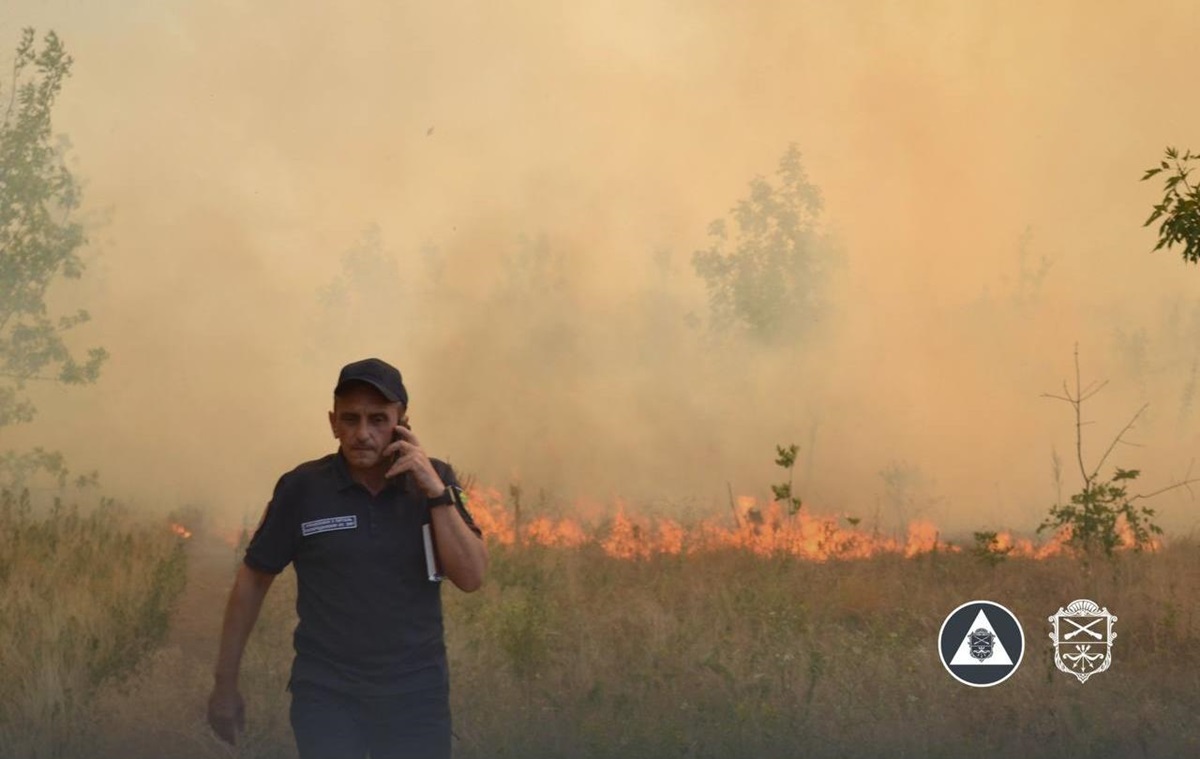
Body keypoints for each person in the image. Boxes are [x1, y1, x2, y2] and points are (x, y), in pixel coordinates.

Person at [206, 357, 488, 759]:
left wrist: (435, 492)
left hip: (416, 695)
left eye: (378, 419)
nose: (363, 434)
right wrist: (224, 684)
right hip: (327, 694)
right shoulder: (302, 488)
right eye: (350, 419)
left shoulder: (434, 479)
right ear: (332, 422)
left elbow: (472, 576)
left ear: (402, 422)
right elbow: (252, 581)